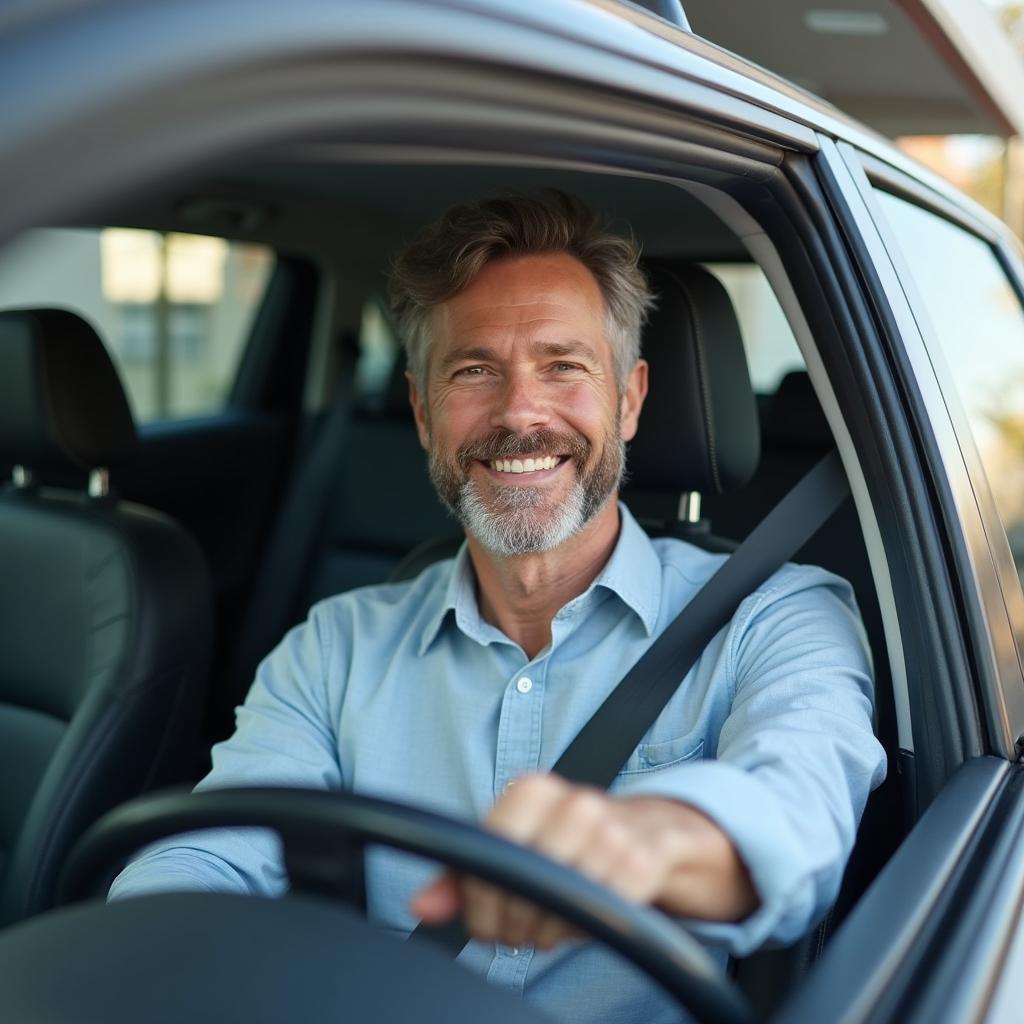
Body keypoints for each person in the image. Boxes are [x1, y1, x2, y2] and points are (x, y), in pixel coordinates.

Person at [110, 192, 886, 1023]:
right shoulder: (335, 647)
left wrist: (644, 840)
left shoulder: (777, 619)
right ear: (421, 410)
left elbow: (799, 815)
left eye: (563, 366)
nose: (521, 412)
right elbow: (207, 856)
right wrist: (145, 951)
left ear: (628, 398)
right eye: (474, 369)